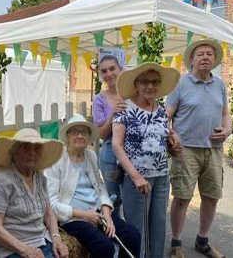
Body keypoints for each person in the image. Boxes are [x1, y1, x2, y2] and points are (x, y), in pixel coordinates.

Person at [166, 40, 231, 258]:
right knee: (182, 198)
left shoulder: (220, 85)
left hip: (214, 149)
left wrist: (228, 131)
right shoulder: (180, 84)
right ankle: (176, 243)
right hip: (186, 150)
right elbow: (166, 116)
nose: (205, 57)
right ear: (191, 60)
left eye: (210, 54)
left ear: (214, 60)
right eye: (201, 54)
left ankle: (202, 241)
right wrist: (171, 134)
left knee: (211, 196)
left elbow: (225, 114)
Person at [45, 114, 141, 258]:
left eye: (84, 132)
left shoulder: (91, 156)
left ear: (89, 136)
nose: (79, 135)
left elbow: (101, 188)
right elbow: (51, 204)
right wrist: (84, 215)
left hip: (97, 212)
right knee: (105, 248)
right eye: (75, 132)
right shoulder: (57, 161)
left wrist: (107, 213)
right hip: (73, 217)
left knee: (132, 236)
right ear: (67, 135)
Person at [112, 62, 181, 258]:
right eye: (145, 82)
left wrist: (172, 137)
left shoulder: (160, 109)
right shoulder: (124, 107)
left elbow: (161, 134)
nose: (150, 86)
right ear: (136, 84)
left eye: (155, 82)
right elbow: (117, 145)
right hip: (136, 179)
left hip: (161, 176)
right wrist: (135, 176)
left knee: (159, 226)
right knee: (137, 230)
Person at [0, 128, 68, 258]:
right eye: (26, 148)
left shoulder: (40, 178)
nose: (32, 153)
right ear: (14, 153)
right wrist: (25, 250)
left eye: (36, 148)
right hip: (9, 249)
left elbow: (49, 214)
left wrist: (56, 238)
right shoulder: (2, 181)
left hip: (40, 241)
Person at [93, 55, 127, 216]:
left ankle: (132, 236)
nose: (109, 74)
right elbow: (101, 134)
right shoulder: (99, 100)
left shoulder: (132, 94)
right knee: (113, 198)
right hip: (110, 154)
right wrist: (113, 113)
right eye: (104, 71)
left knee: (132, 197)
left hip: (133, 152)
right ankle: (114, 236)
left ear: (121, 69)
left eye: (112, 68)